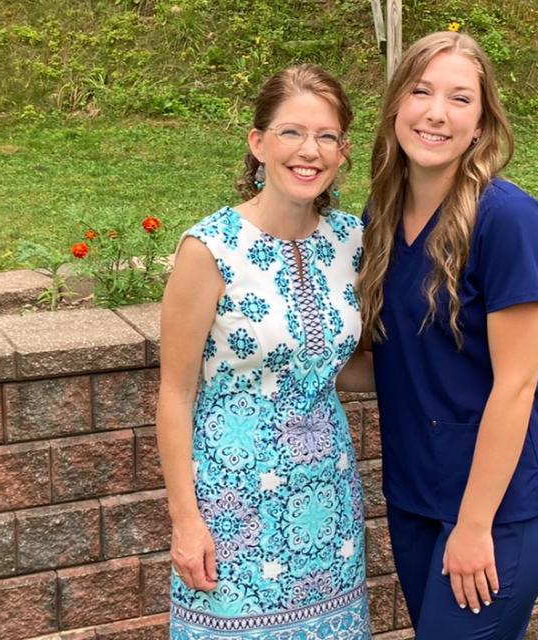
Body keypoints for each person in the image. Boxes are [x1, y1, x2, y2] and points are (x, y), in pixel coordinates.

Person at [351, 31, 538, 639]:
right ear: (396, 106)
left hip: (498, 508)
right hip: (416, 492)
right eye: (420, 91)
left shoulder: (506, 219)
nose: (436, 113)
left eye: (460, 98)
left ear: (481, 124)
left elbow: (517, 384)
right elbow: (394, 361)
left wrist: (475, 525)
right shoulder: (382, 215)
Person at [156, 64, 371, 639]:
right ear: (258, 144)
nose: (311, 151)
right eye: (292, 132)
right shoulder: (211, 249)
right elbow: (175, 393)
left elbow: (336, 364)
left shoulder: (352, 241)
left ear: (343, 152)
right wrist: (185, 522)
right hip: (232, 500)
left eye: (327, 137)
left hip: (326, 497)